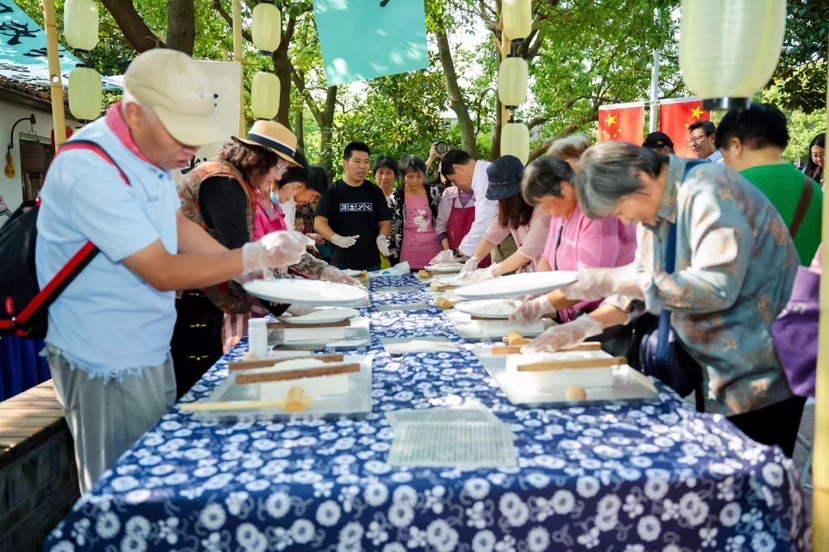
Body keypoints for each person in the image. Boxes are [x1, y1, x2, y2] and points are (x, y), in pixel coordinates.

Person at [35, 49, 312, 493]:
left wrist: (254, 265)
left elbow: (178, 227)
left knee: (156, 482)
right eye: (180, 133)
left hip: (148, 345)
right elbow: (160, 270)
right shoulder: (89, 167)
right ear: (134, 112)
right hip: (105, 358)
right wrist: (252, 257)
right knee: (121, 494)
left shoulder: (148, 157)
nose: (189, 148)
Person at [526, 141, 803, 456]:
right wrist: (583, 326)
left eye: (619, 211)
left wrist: (613, 279)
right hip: (715, 365)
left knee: (754, 478)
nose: (626, 223)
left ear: (640, 180)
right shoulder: (656, 204)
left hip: (761, 369)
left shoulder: (708, 191)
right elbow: (643, 283)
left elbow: (716, 287)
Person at [179, 121, 356, 354]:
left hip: (207, 293)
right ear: (262, 159)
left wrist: (319, 274)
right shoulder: (223, 182)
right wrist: (284, 304)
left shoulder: (236, 182)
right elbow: (240, 255)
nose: (278, 175)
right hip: (195, 298)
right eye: (279, 167)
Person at [509, 157, 636, 343]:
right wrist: (535, 293)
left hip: (606, 320)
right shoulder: (559, 215)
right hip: (569, 316)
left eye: (546, 204)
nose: (546, 211)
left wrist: (543, 304)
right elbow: (546, 261)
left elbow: (590, 283)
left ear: (564, 189)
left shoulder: (595, 214)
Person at [717, 103, 823, 265]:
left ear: (736, 146)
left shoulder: (730, 188)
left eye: (724, 154)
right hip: (805, 289)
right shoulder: (813, 189)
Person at [459, 155, 551, 279]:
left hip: (550, 276)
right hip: (532, 276)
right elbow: (491, 237)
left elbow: (527, 252)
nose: (502, 200)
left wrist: (494, 271)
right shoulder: (510, 209)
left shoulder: (543, 209)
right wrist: (474, 260)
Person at [314, 142, 393, 271]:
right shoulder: (333, 191)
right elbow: (319, 223)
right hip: (341, 264)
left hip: (372, 264)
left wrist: (382, 237)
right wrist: (336, 238)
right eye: (357, 161)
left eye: (366, 162)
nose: (362, 166)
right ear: (345, 164)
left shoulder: (375, 191)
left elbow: (385, 221)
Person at [439, 149, 498, 261]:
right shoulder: (484, 171)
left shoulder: (484, 178)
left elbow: (484, 220)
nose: (457, 186)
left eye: (454, 181)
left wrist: (460, 253)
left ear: (458, 168)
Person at [388, 155, 442, 269]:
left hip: (436, 258)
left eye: (419, 176)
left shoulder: (434, 192)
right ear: (403, 177)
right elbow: (391, 229)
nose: (415, 181)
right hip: (407, 259)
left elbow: (443, 221)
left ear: (424, 175)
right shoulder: (396, 197)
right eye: (410, 176)